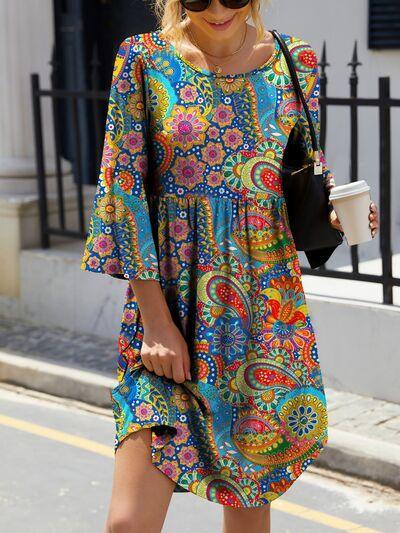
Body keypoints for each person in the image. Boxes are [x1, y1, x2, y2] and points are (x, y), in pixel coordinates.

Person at [80, 0, 380, 531]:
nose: (218, 9)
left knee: (246, 507)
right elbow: (122, 192)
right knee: (128, 523)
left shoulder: (295, 61)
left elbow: (296, 176)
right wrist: (156, 322)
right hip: (171, 312)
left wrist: (334, 214)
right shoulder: (144, 60)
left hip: (262, 315)